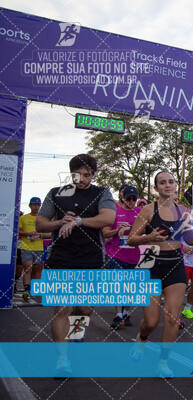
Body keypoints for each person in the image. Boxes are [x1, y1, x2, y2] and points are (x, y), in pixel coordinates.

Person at [35, 154, 116, 373]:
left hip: (91, 258)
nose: (82, 179)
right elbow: (40, 224)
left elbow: (108, 218)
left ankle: (77, 331)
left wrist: (79, 221)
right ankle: (62, 360)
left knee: (84, 308)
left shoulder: (101, 193)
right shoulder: (56, 194)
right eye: (77, 174)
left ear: (93, 174)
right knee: (63, 308)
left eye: (87, 175)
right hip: (61, 258)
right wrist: (60, 221)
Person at [127, 171, 193, 378]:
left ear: (176, 185)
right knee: (151, 321)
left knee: (173, 318)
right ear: (156, 188)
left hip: (175, 265)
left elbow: (190, 238)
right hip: (151, 266)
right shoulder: (148, 211)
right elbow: (131, 239)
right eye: (162, 182)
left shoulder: (183, 211)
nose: (167, 185)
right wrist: (149, 236)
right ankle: (142, 338)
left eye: (171, 182)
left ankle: (163, 362)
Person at [102, 185, 141, 329]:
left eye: (134, 199)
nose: (131, 201)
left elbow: (147, 231)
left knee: (130, 288)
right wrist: (117, 230)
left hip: (134, 256)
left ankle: (126, 313)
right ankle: (118, 316)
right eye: (128, 198)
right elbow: (105, 233)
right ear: (122, 198)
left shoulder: (140, 212)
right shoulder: (114, 212)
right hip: (116, 255)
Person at [18, 197, 49, 302]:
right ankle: (26, 290)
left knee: (38, 270)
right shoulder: (23, 218)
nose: (36, 207)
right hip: (26, 246)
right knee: (27, 268)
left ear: (40, 206)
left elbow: (50, 234)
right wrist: (28, 234)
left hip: (39, 248)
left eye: (38, 205)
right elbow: (18, 232)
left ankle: (34, 291)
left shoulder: (43, 219)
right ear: (30, 206)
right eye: (34, 205)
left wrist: (39, 235)